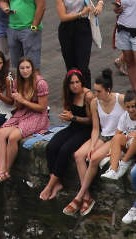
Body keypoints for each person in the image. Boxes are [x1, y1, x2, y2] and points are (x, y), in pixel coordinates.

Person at [66, 69, 123, 216]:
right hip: (102, 136)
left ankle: (79, 196)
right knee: (79, 155)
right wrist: (91, 146)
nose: (95, 94)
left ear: (108, 90)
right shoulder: (94, 103)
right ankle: (87, 197)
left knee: (94, 159)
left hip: (116, 137)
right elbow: (96, 128)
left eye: (99, 91)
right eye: (95, 91)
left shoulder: (120, 100)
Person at [37, 69, 93, 202]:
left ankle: (49, 186)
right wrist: (66, 117)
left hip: (86, 130)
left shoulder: (88, 96)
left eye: (77, 82)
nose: (74, 85)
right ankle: (56, 183)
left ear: (82, 82)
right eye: (72, 83)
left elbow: (91, 121)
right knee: (51, 146)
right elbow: (68, 112)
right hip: (73, 126)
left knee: (65, 150)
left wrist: (73, 117)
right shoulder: (69, 94)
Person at [0, 56, 48, 184]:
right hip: (22, 112)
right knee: (0, 134)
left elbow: (42, 108)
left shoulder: (40, 83)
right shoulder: (17, 82)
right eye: (22, 68)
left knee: (12, 137)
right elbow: (18, 106)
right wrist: (18, 101)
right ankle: (1, 171)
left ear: (32, 69)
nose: (25, 70)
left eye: (28, 67)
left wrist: (23, 100)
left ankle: (6, 171)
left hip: (37, 115)